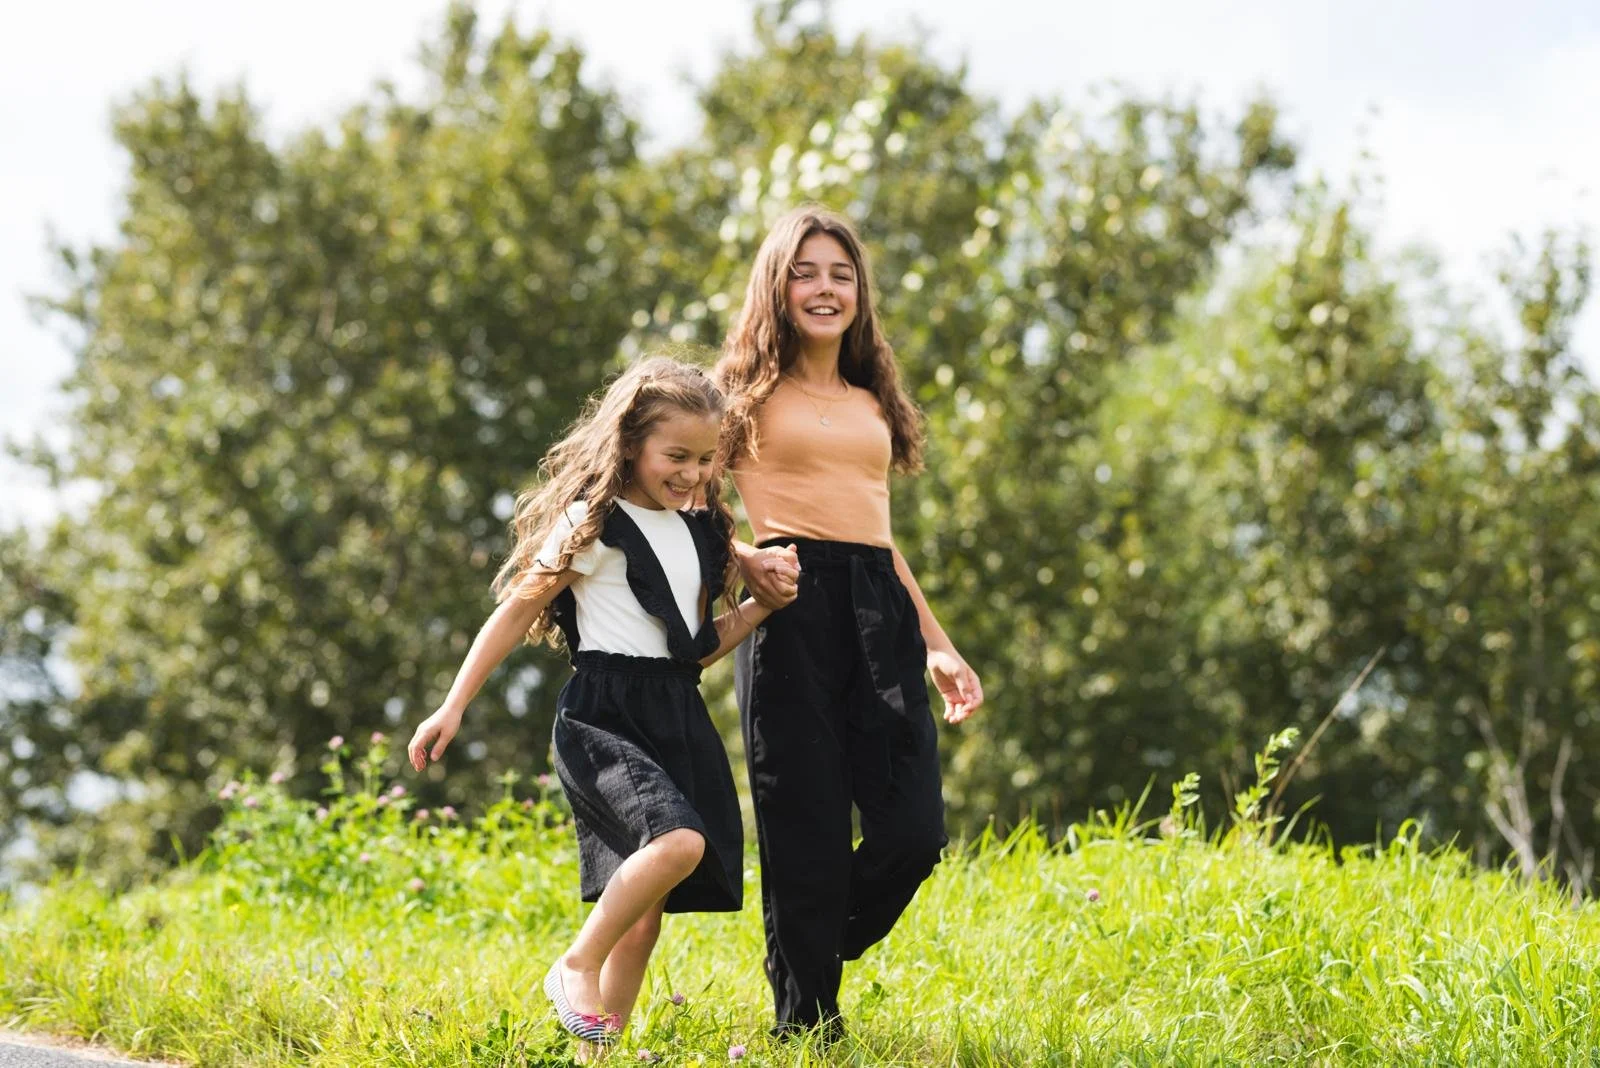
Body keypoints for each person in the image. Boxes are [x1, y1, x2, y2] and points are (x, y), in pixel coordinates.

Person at [406, 356, 792, 1049]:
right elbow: (515, 611)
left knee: (644, 918)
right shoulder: (594, 522)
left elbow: (695, 651)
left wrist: (762, 605)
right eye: (676, 455)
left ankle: (598, 1052)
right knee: (679, 842)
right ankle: (575, 964)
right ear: (632, 443)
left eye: (706, 458)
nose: (693, 473)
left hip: (676, 709)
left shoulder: (702, 531)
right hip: (603, 714)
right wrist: (454, 704)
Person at [716, 205, 986, 1039]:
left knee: (914, 828)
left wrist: (937, 643)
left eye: (841, 274)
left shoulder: (874, 401)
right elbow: (680, 495)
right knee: (805, 821)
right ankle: (807, 1025)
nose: (825, 288)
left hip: (876, 602)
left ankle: (809, 943)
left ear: (859, 292)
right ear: (777, 287)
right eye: (806, 273)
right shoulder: (740, 394)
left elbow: (879, 534)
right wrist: (744, 557)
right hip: (789, 605)